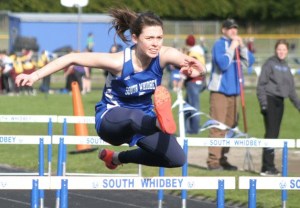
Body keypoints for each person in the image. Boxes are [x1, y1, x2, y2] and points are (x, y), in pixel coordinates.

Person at [15, 8, 205, 170]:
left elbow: (192, 65)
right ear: (135, 38)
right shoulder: (118, 62)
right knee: (131, 116)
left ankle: (116, 158)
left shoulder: (164, 55)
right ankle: (159, 122)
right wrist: (34, 75)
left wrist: (198, 70)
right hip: (111, 119)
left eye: (159, 38)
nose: (155, 43)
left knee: (176, 159)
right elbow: (71, 57)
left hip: (144, 118)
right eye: (149, 38)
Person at [206, 18, 255, 171]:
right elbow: (223, 64)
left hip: (234, 92)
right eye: (230, 28)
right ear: (224, 30)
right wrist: (232, 47)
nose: (234, 31)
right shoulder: (219, 45)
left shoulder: (238, 46)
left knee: (230, 127)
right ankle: (213, 161)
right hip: (220, 91)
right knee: (218, 126)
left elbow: (250, 62)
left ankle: (223, 158)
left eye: (235, 28)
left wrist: (242, 47)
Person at [257, 39, 300, 176]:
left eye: (284, 50)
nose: (281, 52)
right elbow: (261, 85)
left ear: (287, 51)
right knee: (270, 133)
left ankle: (268, 166)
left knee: (274, 134)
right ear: (276, 50)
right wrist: (263, 103)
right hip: (269, 100)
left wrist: (298, 105)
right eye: (279, 49)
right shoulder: (269, 64)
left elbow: (291, 90)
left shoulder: (286, 67)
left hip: (280, 103)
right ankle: (267, 167)